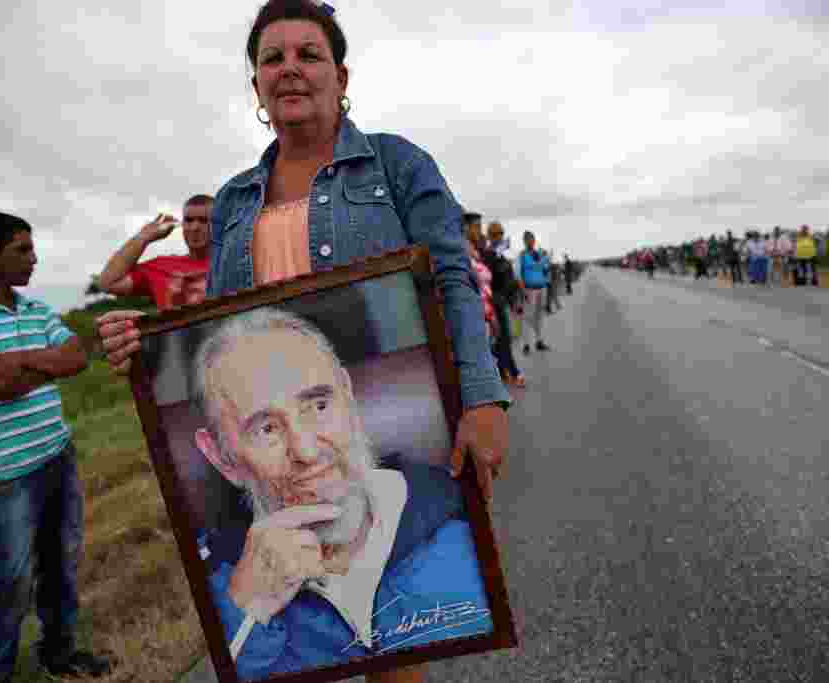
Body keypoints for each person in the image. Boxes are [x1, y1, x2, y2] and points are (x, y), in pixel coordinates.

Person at [95, 3, 509, 680]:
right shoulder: (234, 199)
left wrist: (484, 399)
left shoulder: (398, 164)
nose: (290, 67)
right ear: (256, 85)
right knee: (293, 648)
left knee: (396, 645)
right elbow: (218, 321)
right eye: (272, 58)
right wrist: (144, 345)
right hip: (274, 465)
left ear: (341, 75)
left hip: (345, 455)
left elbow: (454, 281)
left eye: (308, 54)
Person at [191, 308, 493, 680]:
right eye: (266, 428)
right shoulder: (212, 580)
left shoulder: (460, 519)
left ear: (348, 398)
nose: (306, 451)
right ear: (223, 459)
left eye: (318, 405)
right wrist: (245, 612)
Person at [0, 212, 112, 683]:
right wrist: (35, 364)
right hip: (5, 472)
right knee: (10, 580)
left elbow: (76, 357)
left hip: (56, 454)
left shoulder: (35, 310)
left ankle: (60, 655)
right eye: (22, 250)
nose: (34, 259)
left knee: (61, 566)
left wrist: (16, 360)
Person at [97, 194, 214, 310]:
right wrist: (143, 237)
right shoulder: (162, 266)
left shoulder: (230, 264)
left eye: (204, 221)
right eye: (188, 220)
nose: (194, 227)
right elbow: (107, 283)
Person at [476, 218, 525, 387]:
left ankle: (502, 371)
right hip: (493, 303)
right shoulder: (488, 255)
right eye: (495, 234)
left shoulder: (499, 255)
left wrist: (515, 302)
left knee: (500, 340)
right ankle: (514, 373)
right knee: (503, 339)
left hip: (502, 301)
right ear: (489, 236)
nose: (499, 237)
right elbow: (489, 279)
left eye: (501, 233)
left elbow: (509, 282)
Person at [516, 231, 550, 354]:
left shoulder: (539, 254)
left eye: (532, 239)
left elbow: (545, 270)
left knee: (539, 316)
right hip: (529, 290)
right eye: (527, 239)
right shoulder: (522, 255)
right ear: (524, 241)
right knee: (527, 317)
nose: (530, 241)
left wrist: (546, 259)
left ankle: (539, 341)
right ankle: (526, 345)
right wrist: (523, 290)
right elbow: (518, 275)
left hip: (541, 288)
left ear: (534, 240)